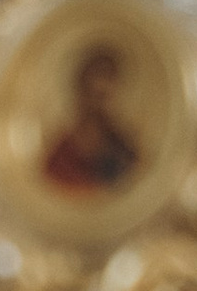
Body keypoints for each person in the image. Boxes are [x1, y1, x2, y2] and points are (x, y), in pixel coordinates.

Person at [40, 44, 143, 194]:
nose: (100, 103)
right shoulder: (62, 154)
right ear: (81, 90)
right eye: (94, 94)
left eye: (105, 95)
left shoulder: (124, 148)